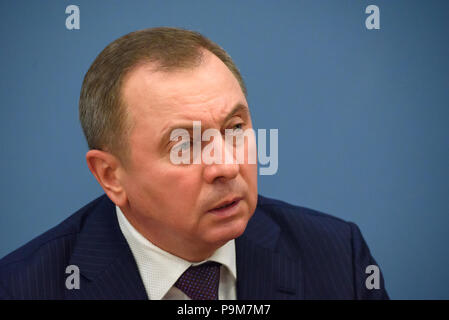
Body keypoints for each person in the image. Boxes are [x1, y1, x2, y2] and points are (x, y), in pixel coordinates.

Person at [0, 27, 388, 300]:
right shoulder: (22, 288)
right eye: (185, 145)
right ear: (110, 175)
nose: (227, 166)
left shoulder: (337, 257)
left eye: (235, 128)